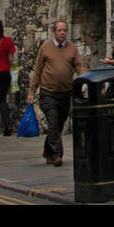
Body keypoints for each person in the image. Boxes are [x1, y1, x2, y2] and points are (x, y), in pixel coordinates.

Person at [27, 19, 83, 166]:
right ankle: (58, 155)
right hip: (48, 92)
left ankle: (48, 152)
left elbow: (79, 67)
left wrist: (87, 82)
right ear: (54, 31)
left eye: (64, 30)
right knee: (52, 122)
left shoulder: (72, 49)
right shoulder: (46, 48)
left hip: (65, 92)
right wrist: (32, 91)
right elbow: (38, 69)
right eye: (59, 30)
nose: (62, 33)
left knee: (58, 125)